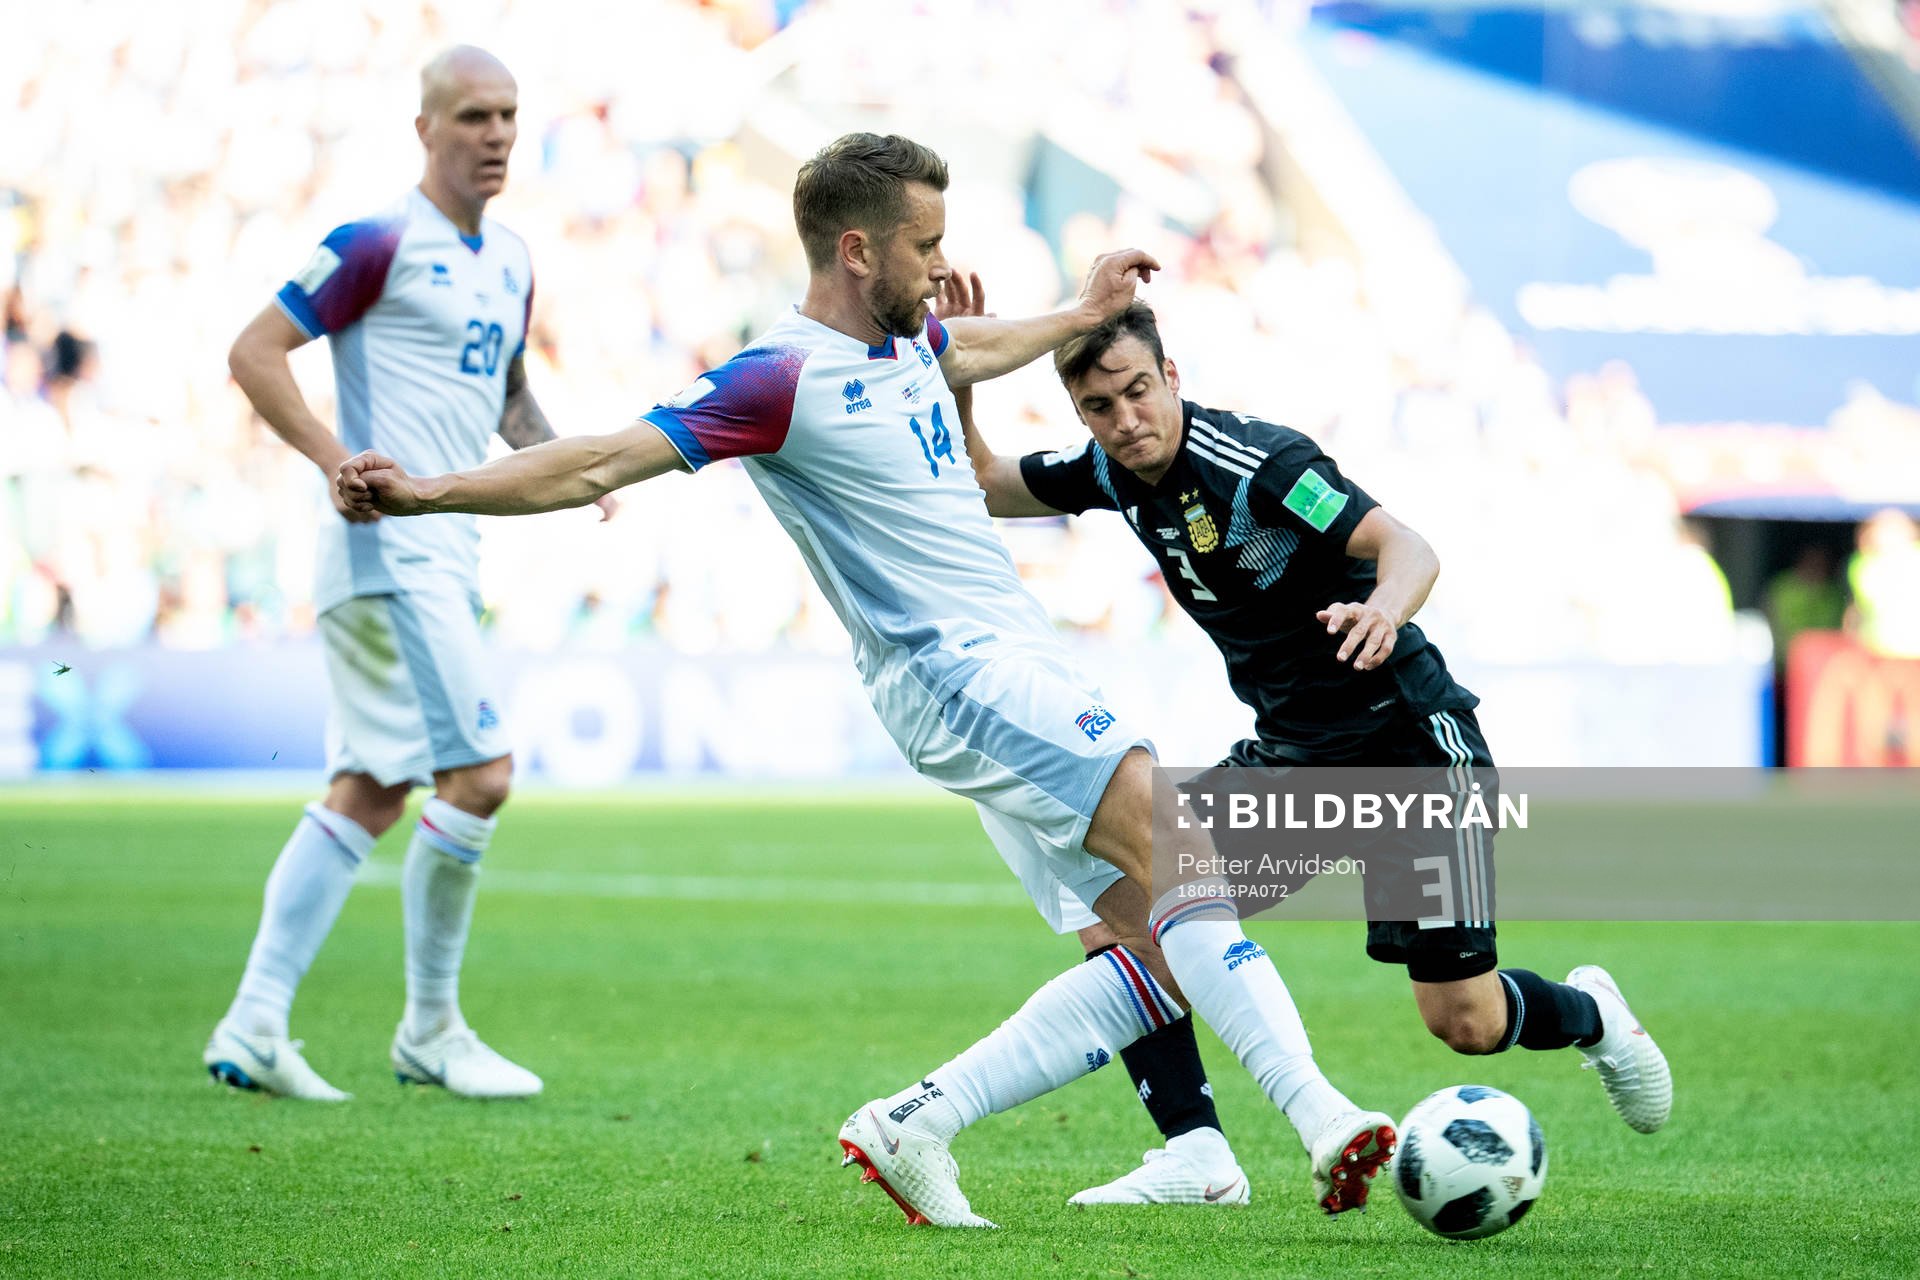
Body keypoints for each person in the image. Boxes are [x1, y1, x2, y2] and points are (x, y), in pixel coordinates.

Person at [336, 132, 1396, 1226]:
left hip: (1006, 661)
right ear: (856, 249)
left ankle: (918, 1120)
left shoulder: (910, 340)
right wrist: (427, 491)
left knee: (1147, 939)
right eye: (924, 245)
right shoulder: (778, 376)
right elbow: (601, 457)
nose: (941, 266)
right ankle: (1320, 1115)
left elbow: (968, 345)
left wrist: (1078, 317)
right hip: (953, 673)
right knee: (1177, 845)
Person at [952, 289, 1671, 1143]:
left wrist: (1385, 611)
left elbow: (1408, 546)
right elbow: (990, 484)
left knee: (1465, 1022)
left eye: (1139, 389)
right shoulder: (1110, 469)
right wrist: (961, 377)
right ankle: (1195, 1152)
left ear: (1170, 373)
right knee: (1135, 918)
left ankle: (1594, 1018)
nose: (1125, 419)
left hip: (1410, 752)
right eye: (1099, 406)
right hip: (1293, 761)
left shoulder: (1261, 467)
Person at [206, 47, 610, 1102]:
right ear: (425, 128)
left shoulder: (511, 257)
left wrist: (582, 470)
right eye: (473, 115)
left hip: (447, 542)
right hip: (388, 539)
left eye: (510, 115)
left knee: (374, 787)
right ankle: (431, 1028)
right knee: (480, 776)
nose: (496, 135)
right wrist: (335, 457)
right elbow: (254, 352)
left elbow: (508, 394)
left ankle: (253, 1019)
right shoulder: (374, 240)